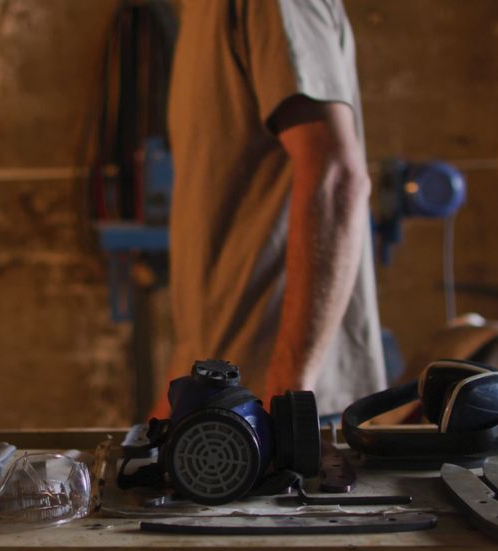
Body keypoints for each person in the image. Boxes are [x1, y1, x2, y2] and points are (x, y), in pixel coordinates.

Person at [153, 0, 386, 418]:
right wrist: (177, 390)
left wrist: (289, 400)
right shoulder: (201, 12)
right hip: (223, 400)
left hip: (274, 409)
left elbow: (335, 178)